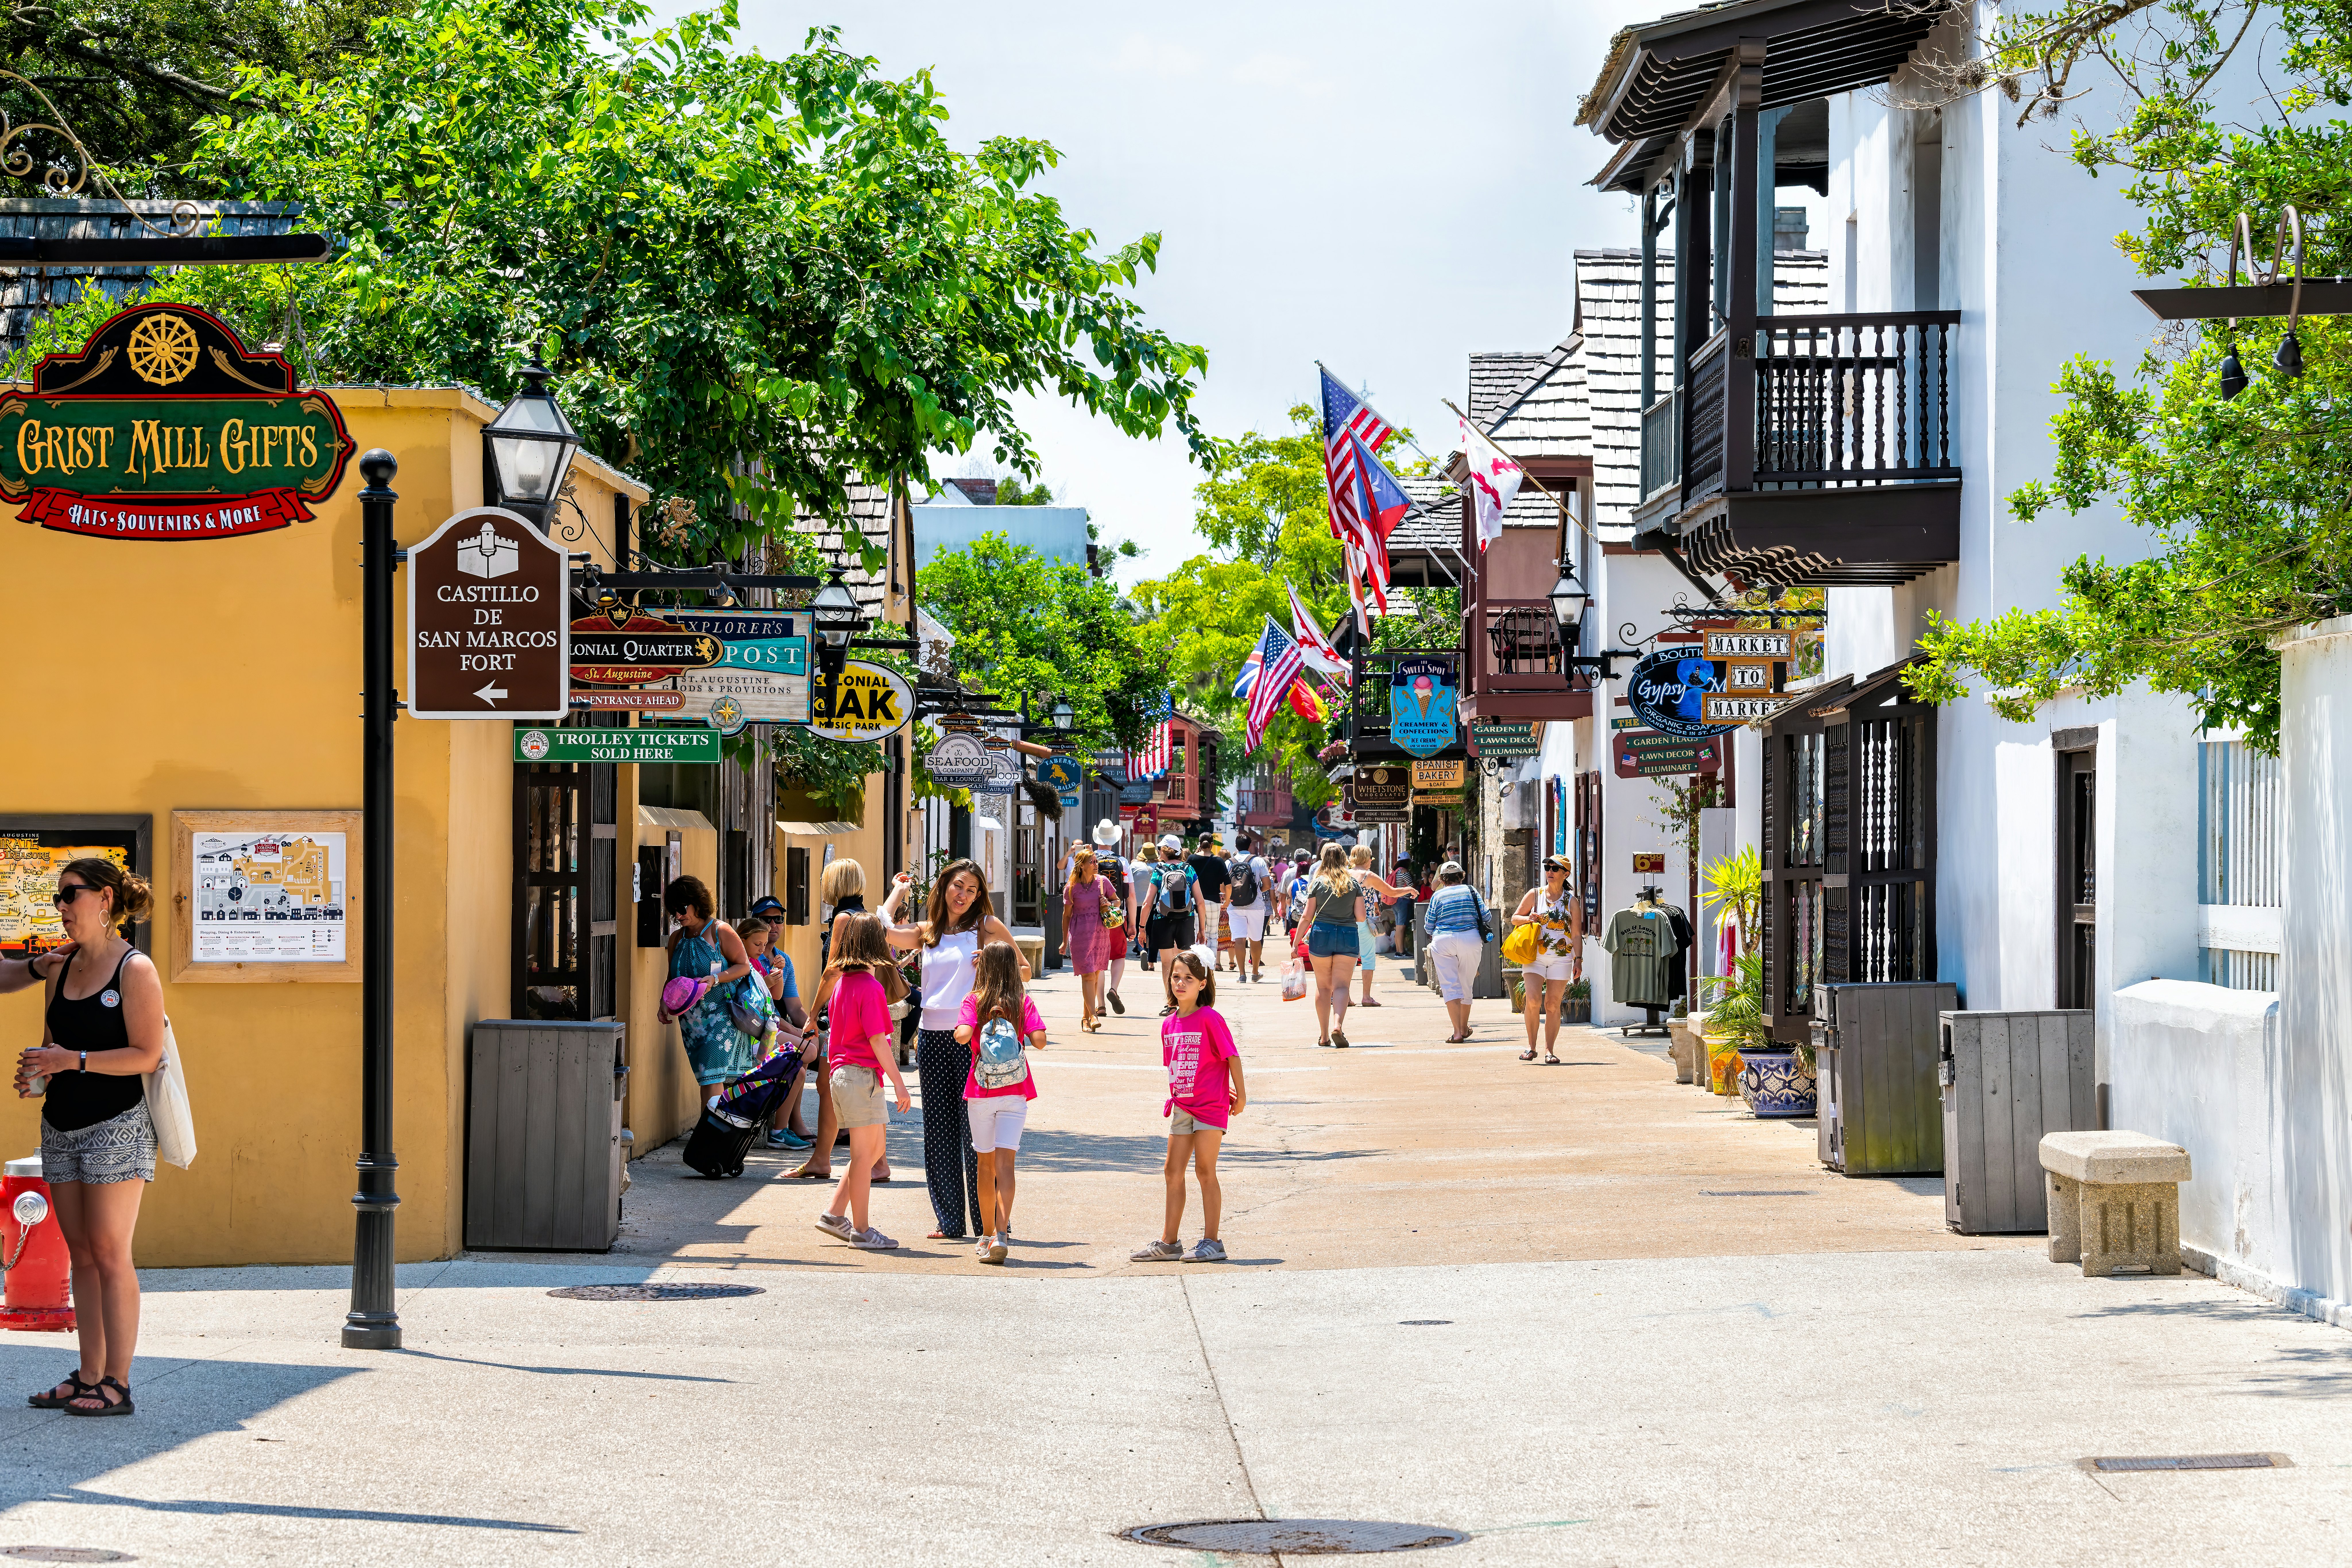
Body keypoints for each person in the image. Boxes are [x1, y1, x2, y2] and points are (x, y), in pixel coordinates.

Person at [14, 859, 163, 1417]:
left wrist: (71, 1060)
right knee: (80, 1253)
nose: (61, 907)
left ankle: (118, 1383)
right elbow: (54, 1045)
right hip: (62, 1125)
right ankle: (89, 1374)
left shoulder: (135, 969)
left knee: (109, 1251)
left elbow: (146, 1055)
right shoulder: (59, 968)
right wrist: (39, 1074)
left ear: (104, 899)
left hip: (117, 1125)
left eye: (70, 895)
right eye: (58, 898)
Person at [880, 860, 1024, 1242]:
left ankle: (990, 1224)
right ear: (946, 886)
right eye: (958, 886)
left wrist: (991, 968)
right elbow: (884, 930)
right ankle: (950, 1221)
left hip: (973, 1040)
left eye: (972, 890)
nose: (963, 895)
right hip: (931, 1037)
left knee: (977, 1132)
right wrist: (898, 891)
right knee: (939, 1130)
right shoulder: (929, 933)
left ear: (980, 896)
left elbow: (1022, 970)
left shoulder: (986, 928)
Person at [1129, 951, 1246, 1264]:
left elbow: (1231, 1056)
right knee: (1172, 1171)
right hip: (1182, 1106)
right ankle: (1169, 1242)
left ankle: (1213, 1241)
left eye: (1189, 979)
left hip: (1210, 1106)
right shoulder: (1168, 1024)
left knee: (1205, 1170)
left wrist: (1242, 1095)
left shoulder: (1210, 1018)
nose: (1180, 983)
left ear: (1202, 984)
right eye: (1176, 977)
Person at [811, 914, 913, 1251]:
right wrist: (899, 1083)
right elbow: (879, 1040)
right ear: (875, 945)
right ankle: (862, 1229)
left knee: (872, 1151)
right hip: (861, 1076)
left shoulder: (842, 984)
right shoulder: (870, 988)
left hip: (842, 1076)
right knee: (863, 1153)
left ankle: (834, 1215)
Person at [789, 862, 889, 1181]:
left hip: (843, 1011)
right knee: (856, 1083)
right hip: (864, 1008)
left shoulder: (843, 919)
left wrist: (812, 1014)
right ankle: (876, 1162)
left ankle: (823, 1160)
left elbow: (833, 969)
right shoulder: (866, 917)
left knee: (828, 1085)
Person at [953, 941, 1048, 1264]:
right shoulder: (1022, 1002)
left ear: (984, 968)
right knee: (1007, 1166)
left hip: (982, 1092)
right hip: (1016, 1091)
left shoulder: (973, 1001)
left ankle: (984, 1235)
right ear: (1011, 969)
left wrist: (971, 1028)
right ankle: (1002, 1233)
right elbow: (1040, 1041)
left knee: (985, 1165)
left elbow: (963, 1035)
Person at [662, 876, 758, 1096]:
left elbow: (744, 966)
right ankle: (712, 1127)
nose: (678, 915)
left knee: (711, 1077)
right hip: (690, 1022)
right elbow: (672, 976)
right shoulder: (677, 939)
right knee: (705, 1077)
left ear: (698, 902)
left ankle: (709, 1130)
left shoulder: (720, 931)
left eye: (682, 908)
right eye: (674, 911)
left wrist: (716, 979)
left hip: (720, 1017)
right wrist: (664, 1001)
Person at [736, 917, 811, 1148]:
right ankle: (780, 1129)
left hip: (765, 1031)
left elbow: (775, 998)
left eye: (764, 944)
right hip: (754, 1035)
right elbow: (748, 1003)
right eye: (757, 944)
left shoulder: (759, 963)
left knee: (801, 1063)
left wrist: (777, 971)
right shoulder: (740, 965)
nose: (762, 949)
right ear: (742, 941)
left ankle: (783, 1127)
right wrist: (767, 981)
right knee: (804, 1058)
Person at [1512, 855, 1583, 1064]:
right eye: (1548, 867)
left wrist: (1578, 960)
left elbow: (1577, 934)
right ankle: (1531, 1047)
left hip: (1562, 960)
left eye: (1555, 868)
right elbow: (1515, 918)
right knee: (1533, 1001)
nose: (1550, 870)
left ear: (1566, 874)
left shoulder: (1572, 902)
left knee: (1553, 1004)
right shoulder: (1535, 895)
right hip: (1534, 956)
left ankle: (1549, 1050)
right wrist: (1528, 918)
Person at [1299, 844, 1366, 1049]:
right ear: (1344, 859)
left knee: (1323, 986)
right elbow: (1362, 917)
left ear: (1324, 859)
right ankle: (1338, 1026)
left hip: (1322, 934)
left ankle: (1324, 1036)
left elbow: (1306, 916)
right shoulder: (1353, 883)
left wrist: (1296, 943)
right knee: (1342, 986)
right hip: (1347, 935)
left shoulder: (1317, 883)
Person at [1421, 862, 1492, 1043]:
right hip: (1470, 939)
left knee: (1450, 986)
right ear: (1462, 876)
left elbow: (1429, 927)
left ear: (1443, 879)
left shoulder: (1437, 896)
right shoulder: (1471, 891)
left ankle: (1457, 1033)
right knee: (1466, 984)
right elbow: (1487, 917)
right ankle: (1464, 1028)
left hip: (1444, 941)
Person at [1142, 836, 1200, 1015]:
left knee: (1167, 963)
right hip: (1187, 919)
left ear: (1165, 851)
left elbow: (1148, 902)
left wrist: (1142, 928)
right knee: (1184, 963)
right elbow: (1200, 901)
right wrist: (1203, 929)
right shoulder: (1189, 870)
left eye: (1161, 849)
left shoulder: (1159, 871)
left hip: (1163, 920)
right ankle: (1187, 1003)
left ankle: (1171, 1003)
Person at [1061, 846, 1114, 1032]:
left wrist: (1109, 904)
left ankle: (1085, 1018)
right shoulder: (1071, 888)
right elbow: (1066, 916)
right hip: (1080, 935)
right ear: (1082, 865)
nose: (1096, 864)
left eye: (1096, 861)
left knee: (1096, 976)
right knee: (1088, 975)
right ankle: (1093, 1015)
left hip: (1100, 933)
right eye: (1092, 862)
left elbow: (1117, 900)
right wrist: (1064, 941)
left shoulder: (1103, 882)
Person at [1347, 845, 1408, 1008]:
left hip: (1346, 922)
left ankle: (1343, 996)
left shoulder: (1344, 875)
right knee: (1367, 958)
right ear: (1367, 859)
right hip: (1365, 922)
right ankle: (1366, 997)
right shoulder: (1369, 876)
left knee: (1347, 959)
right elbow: (1392, 892)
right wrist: (1409, 889)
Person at [1090, 820, 1132, 1014]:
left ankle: (1100, 1005)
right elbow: (1130, 896)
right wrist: (1133, 923)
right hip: (1115, 917)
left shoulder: (1089, 860)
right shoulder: (1122, 862)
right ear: (1114, 839)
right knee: (1119, 956)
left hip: (1093, 918)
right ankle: (1114, 989)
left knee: (1099, 962)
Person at [1224, 833, 1272, 984]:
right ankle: (1255, 972)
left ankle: (1242, 975)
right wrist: (1257, 892)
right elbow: (1267, 885)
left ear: (1236, 847)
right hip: (1256, 906)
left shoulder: (1228, 863)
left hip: (1234, 905)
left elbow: (1223, 886)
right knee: (1256, 940)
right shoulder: (1259, 862)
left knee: (1239, 940)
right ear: (1250, 846)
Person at [1186, 835, 1232, 971]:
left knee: (1196, 934)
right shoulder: (1218, 861)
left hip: (1195, 901)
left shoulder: (1192, 859)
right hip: (1213, 901)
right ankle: (1210, 969)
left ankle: (1196, 967)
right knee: (1212, 935)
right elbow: (1228, 885)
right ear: (1212, 845)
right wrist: (1228, 900)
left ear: (1199, 844)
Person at [1391, 857, 1420, 959]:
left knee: (1399, 926)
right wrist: (1418, 883)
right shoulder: (1404, 871)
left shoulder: (1396, 871)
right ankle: (1401, 952)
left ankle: (1399, 951)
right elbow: (1411, 886)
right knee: (1402, 926)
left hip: (1396, 901)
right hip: (1403, 901)